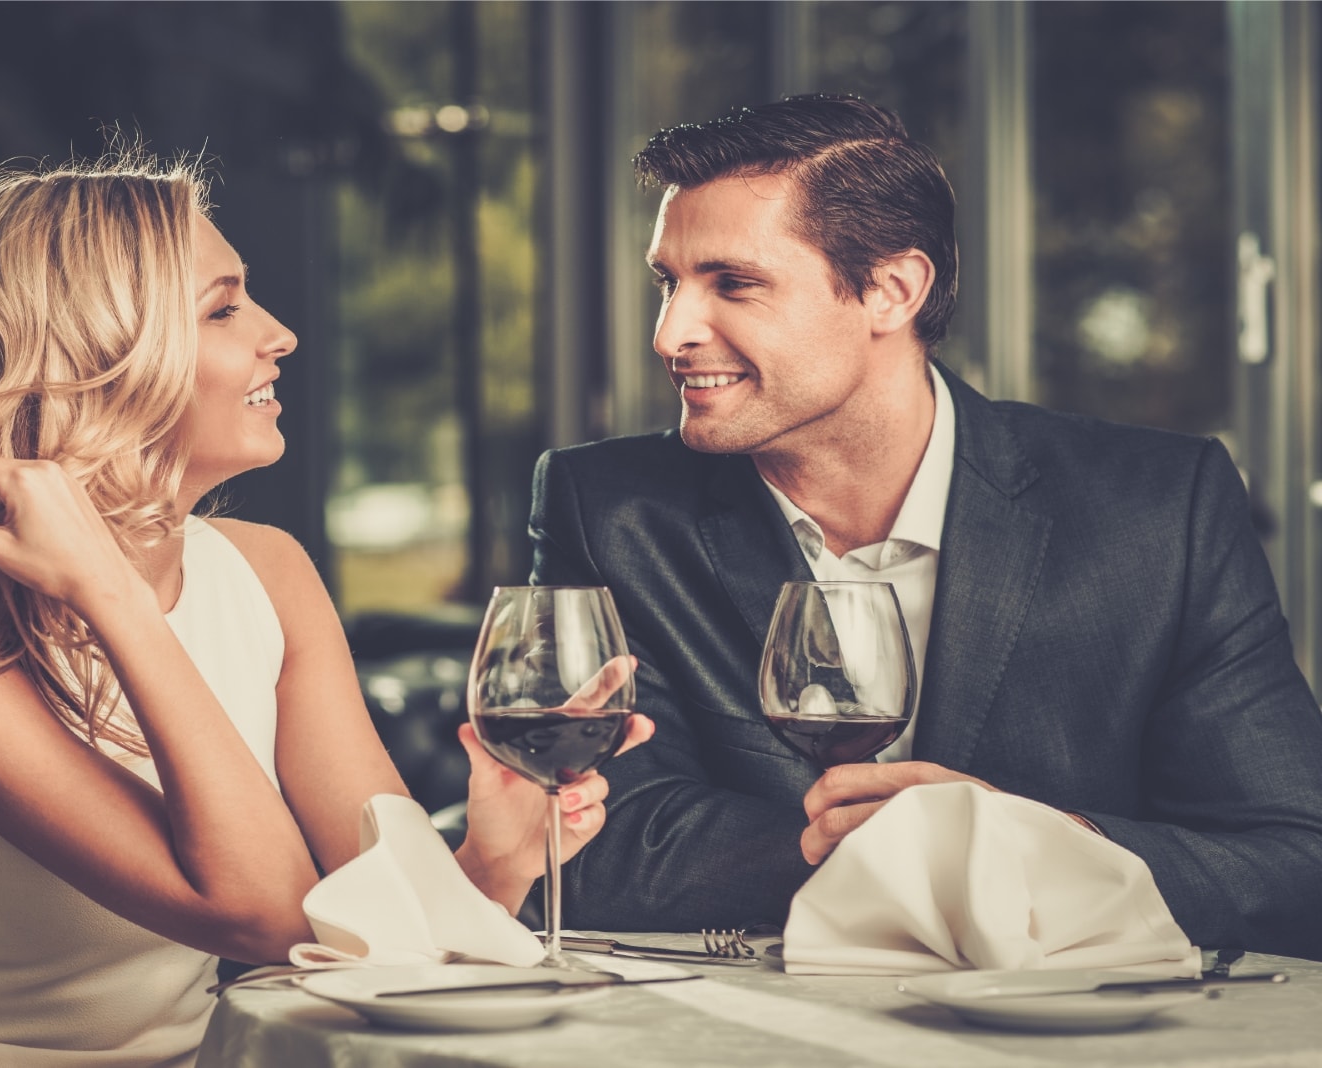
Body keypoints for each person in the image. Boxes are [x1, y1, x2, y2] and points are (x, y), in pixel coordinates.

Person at [0, 153, 652, 1066]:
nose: (281, 333)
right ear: (95, 360)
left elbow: (353, 921)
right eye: (223, 308)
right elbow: (260, 915)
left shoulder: (270, 572)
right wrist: (111, 593)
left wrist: (490, 865)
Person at [530, 94, 1322, 960]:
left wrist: (1022, 847)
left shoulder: (1160, 507)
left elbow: (1291, 862)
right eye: (669, 283)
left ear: (891, 290)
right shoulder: (606, 506)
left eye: (734, 283)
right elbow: (586, 839)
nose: (672, 331)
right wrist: (884, 853)